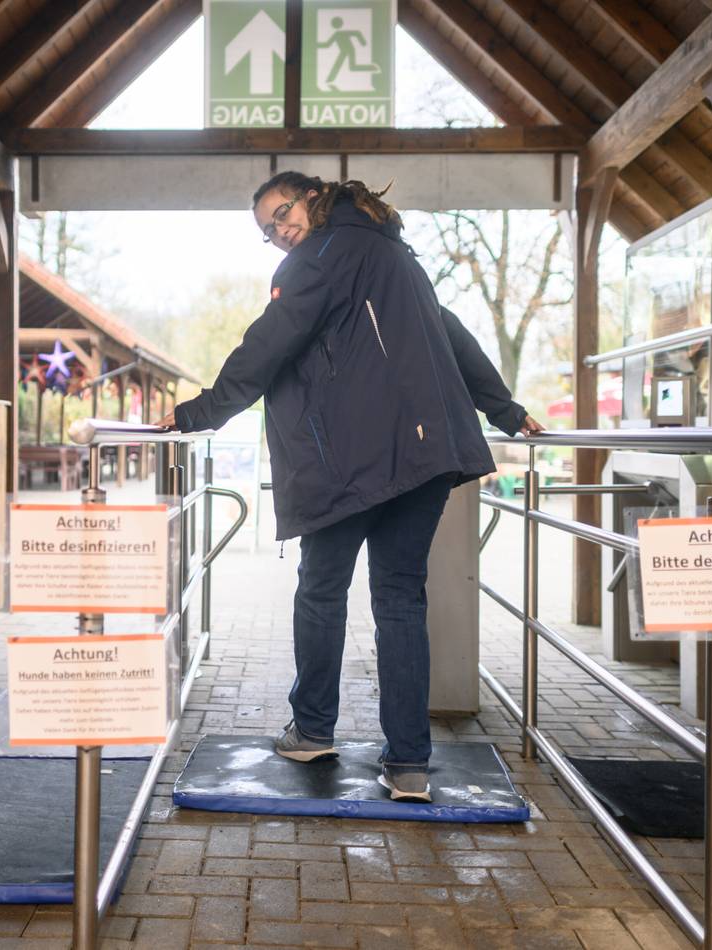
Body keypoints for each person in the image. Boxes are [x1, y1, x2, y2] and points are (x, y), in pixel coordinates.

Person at [158, 172, 543, 803]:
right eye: (267, 230)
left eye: (282, 212)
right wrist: (504, 409)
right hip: (423, 457)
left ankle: (312, 728)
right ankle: (409, 764)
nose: (280, 231)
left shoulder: (321, 256)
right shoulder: (396, 255)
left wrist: (199, 412)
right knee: (401, 599)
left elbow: (268, 345)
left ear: (312, 197)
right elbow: (450, 333)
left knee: (321, 590)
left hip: (349, 460)